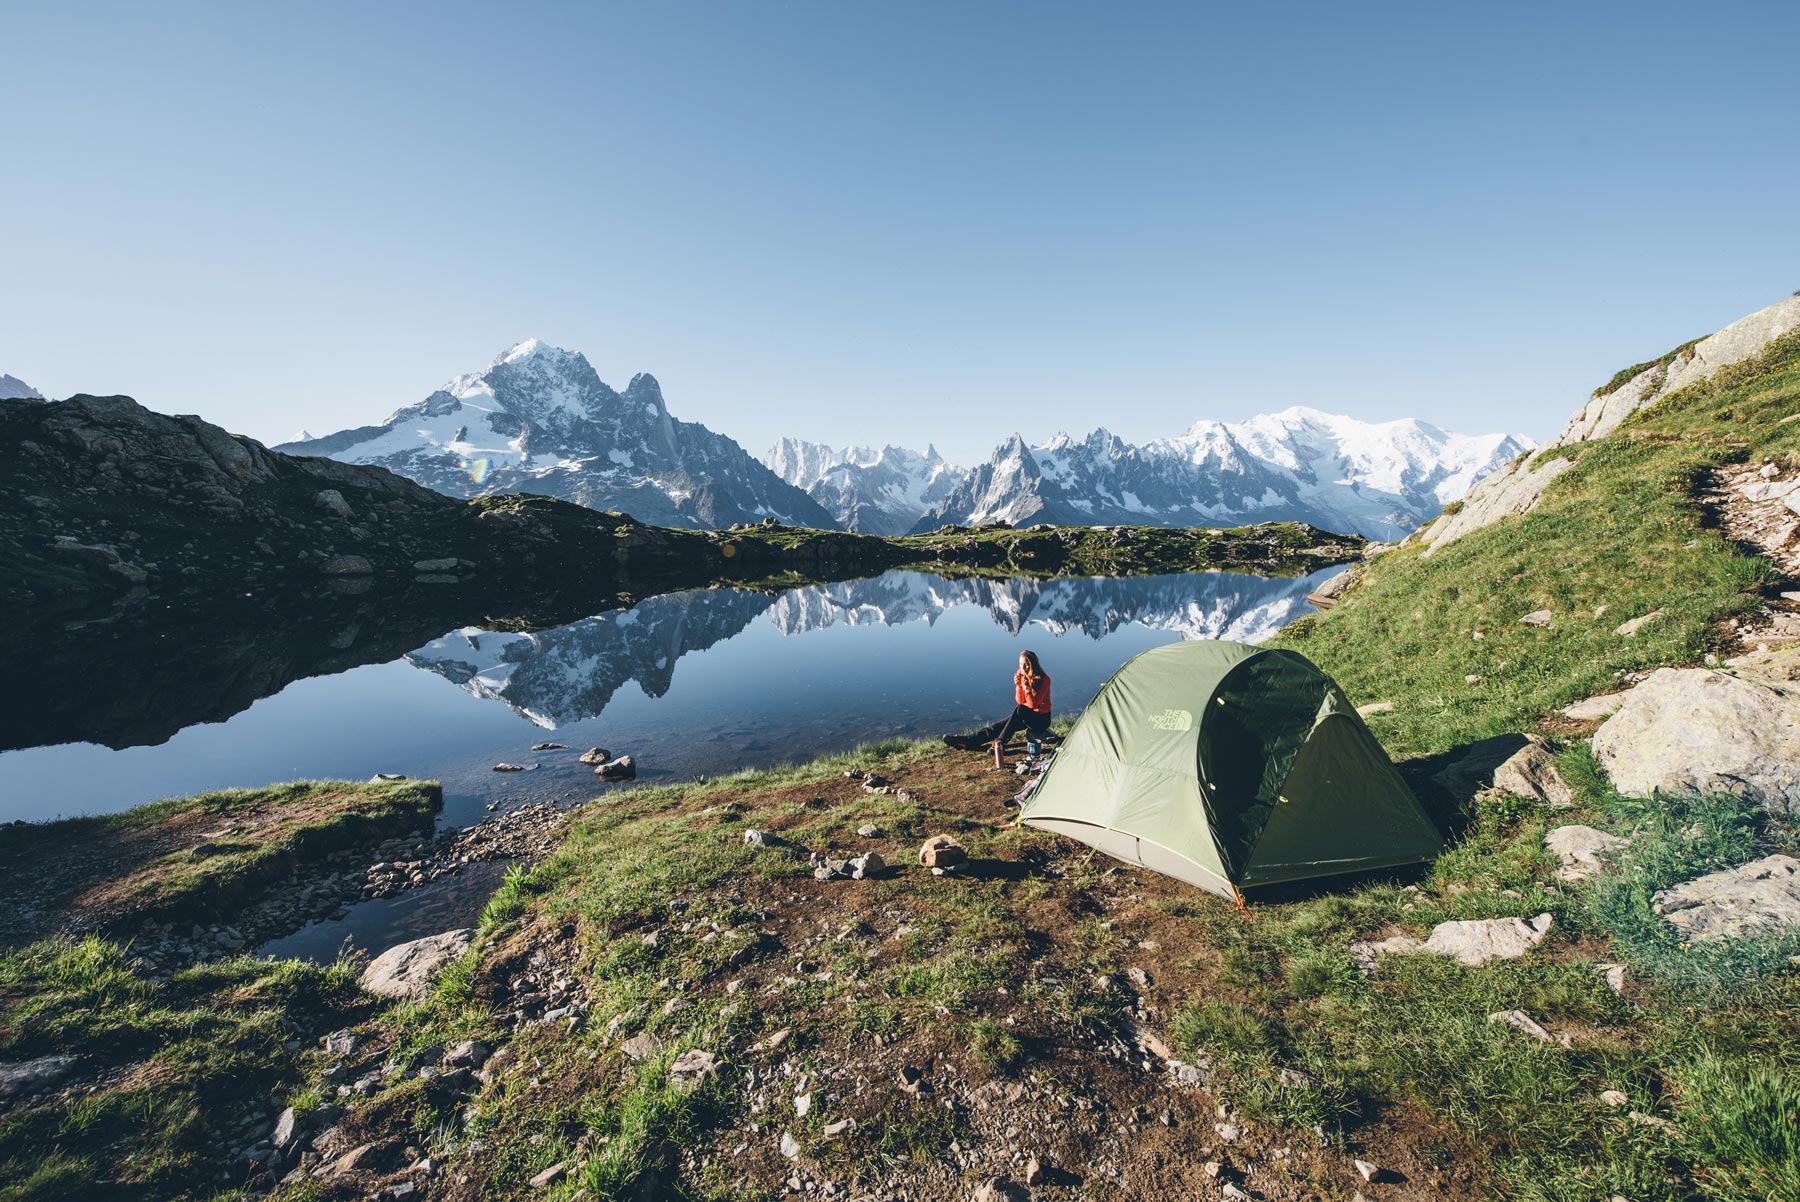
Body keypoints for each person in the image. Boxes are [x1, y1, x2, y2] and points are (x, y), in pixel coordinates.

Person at [943, 650, 1052, 762]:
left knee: (1020, 710)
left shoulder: (1044, 679)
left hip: (1041, 720)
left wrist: (1026, 688)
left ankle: (1000, 742)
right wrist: (1019, 686)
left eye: (1026, 664)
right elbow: (1020, 701)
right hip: (1025, 715)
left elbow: (1033, 705)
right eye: (1020, 664)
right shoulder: (1022, 674)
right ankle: (966, 741)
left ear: (1033, 664)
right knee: (998, 727)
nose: (1023, 667)